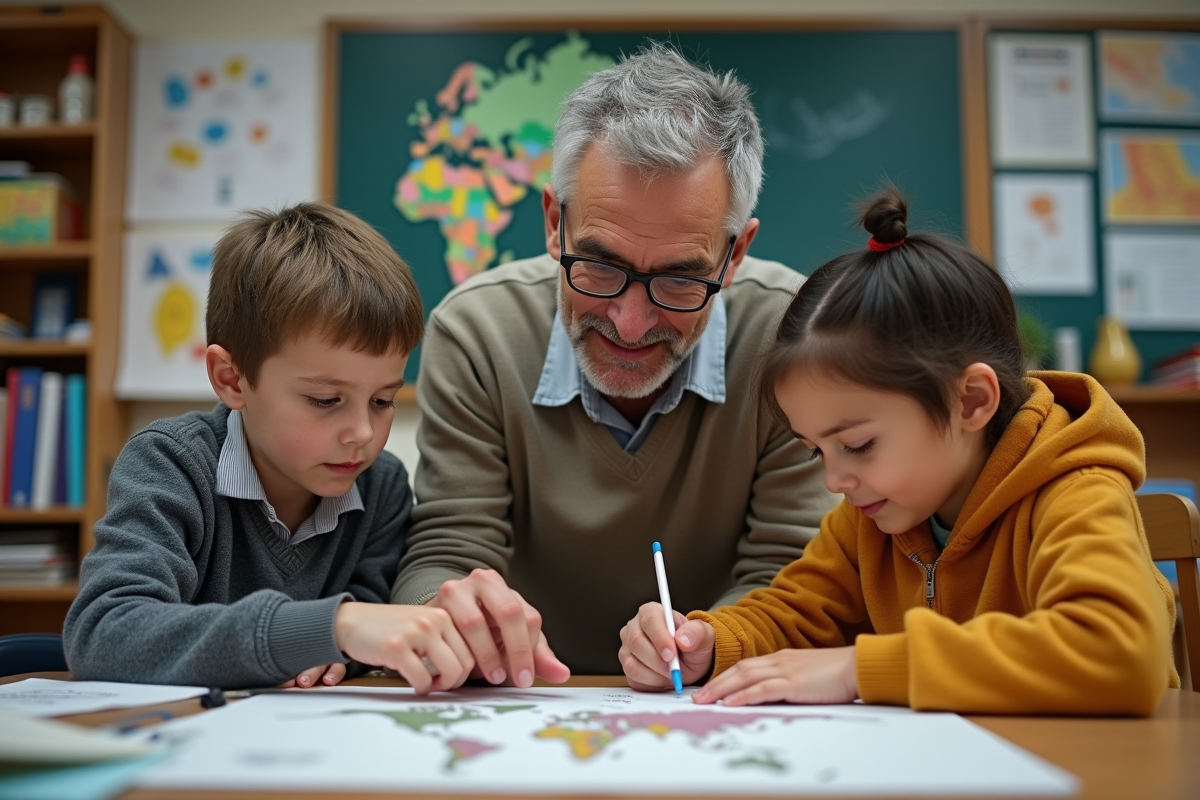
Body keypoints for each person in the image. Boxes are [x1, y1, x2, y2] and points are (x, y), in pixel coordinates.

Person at [620, 190, 1179, 715]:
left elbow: (1118, 652)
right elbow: (798, 614)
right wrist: (710, 642)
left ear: (971, 401)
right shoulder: (871, 520)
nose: (836, 478)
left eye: (858, 445)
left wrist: (863, 670)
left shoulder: (1074, 491)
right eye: (817, 451)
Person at [394, 42, 836, 680]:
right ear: (554, 224)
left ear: (734, 254)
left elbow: (792, 574)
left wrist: (716, 638)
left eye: (681, 279)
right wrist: (443, 615)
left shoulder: (792, 339)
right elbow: (448, 549)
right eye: (599, 266)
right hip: (522, 703)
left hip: (708, 703)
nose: (630, 322)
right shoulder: (476, 331)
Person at [64, 203, 474, 692]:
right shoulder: (170, 464)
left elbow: (372, 617)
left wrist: (351, 650)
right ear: (231, 379)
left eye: (384, 400)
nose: (362, 432)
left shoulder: (381, 485)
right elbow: (102, 632)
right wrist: (328, 628)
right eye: (325, 400)